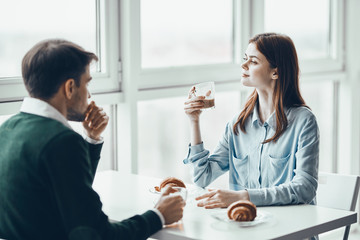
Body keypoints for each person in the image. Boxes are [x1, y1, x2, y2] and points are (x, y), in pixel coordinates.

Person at [0, 39, 185, 240]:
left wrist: (91, 139)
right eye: (87, 83)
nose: (88, 94)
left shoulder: (7, 130)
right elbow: (97, 235)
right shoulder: (62, 141)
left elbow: (71, 199)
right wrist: (158, 215)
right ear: (70, 87)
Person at [184, 33, 319, 208]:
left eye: (253, 61)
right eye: (245, 58)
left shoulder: (303, 121)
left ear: (275, 72)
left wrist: (243, 197)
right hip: (248, 227)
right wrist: (194, 121)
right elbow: (202, 178)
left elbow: (304, 189)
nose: (243, 65)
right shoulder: (237, 125)